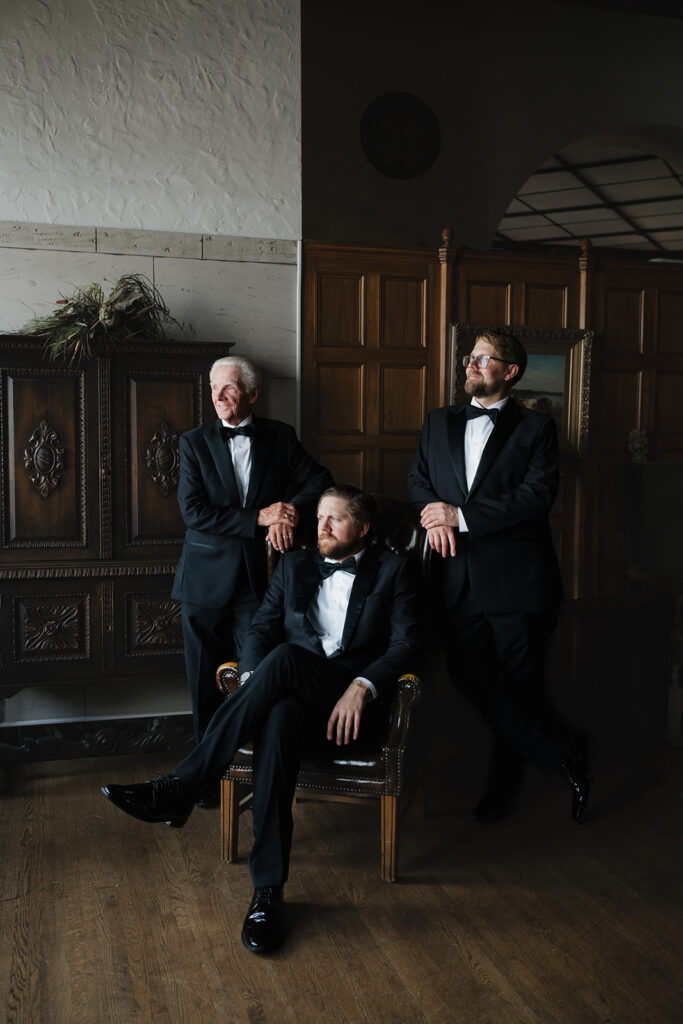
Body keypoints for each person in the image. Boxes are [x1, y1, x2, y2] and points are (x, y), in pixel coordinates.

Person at [103, 486, 421, 954]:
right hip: (295, 702)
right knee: (278, 716)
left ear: (363, 528)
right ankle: (267, 895)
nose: (322, 527)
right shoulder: (294, 566)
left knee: (286, 659)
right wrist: (257, 682)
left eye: (334, 519)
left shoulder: (395, 570)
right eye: (319, 518)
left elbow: (407, 644)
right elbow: (259, 631)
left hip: (353, 713)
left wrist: (362, 686)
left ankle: (181, 788)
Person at [407, 329, 590, 824]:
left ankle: (501, 792)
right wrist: (434, 516)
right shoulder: (438, 422)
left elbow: (536, 497)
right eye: (471, 357)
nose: (471, 364)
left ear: (510, 371)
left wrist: (460, 517)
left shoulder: (537, 428)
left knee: (520, 687)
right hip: (454, 578)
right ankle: (567, 749)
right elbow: (418, 482)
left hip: (518, 581)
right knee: (472, 679)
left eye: (484, 358)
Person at [171, 355, 332, 756]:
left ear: (253, 394)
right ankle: (208, 768)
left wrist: (288, 512)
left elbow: (320, 480)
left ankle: (260, 761)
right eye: (214, 388)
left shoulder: (280, 436)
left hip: (259, 578)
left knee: (257, 673)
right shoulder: (193, 442)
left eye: (229, 387)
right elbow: (193, 512)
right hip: (203, 579)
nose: (219, 396)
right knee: (203, 683)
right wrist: (261, 517)